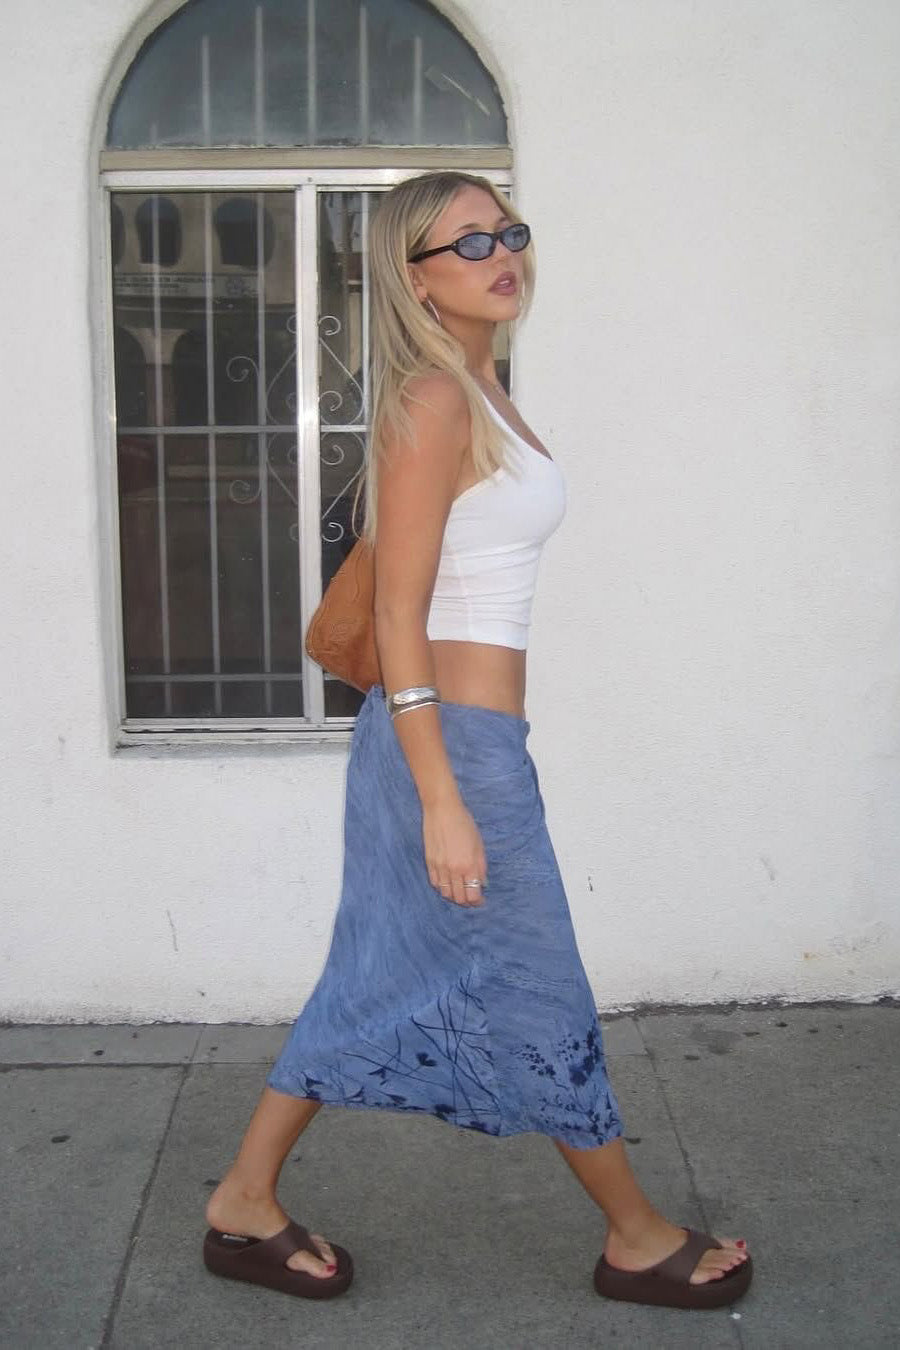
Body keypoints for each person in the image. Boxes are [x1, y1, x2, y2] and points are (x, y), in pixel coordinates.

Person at [202, 171, 753, 1311]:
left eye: (508, 232)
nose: (502, 254)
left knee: (373, 974)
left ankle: (243, 1201)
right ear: (413, 278)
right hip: (446, 750)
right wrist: (444, 796)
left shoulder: (481, 388)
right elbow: (399, 617)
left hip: (474, 740)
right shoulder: (431, 402)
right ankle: (636, 1236)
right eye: (467, 243)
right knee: (540, 982)